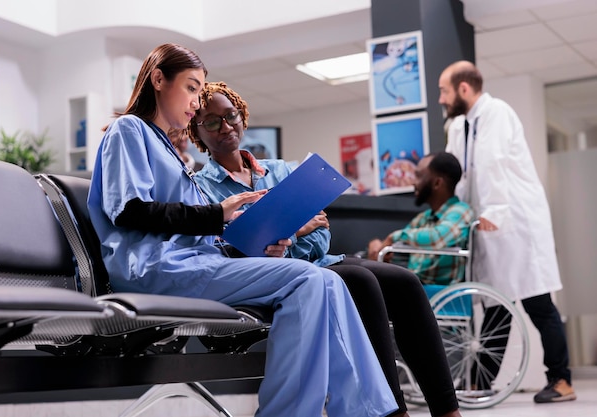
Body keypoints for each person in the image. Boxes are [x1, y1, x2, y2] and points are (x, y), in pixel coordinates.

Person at [86, 43, 398, 417]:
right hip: (154, 269)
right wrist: (217, 214)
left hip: (191, 263)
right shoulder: (129, 130)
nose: (193, 102)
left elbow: (192, 229)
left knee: (323, 281)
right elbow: (131, 211)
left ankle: (365, 411)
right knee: (307, 281)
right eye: (190, 87)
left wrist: (245, 240)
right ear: (157, 80)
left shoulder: (168, 150)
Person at [189, 81, 463, 417]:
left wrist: (289, 238)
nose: (226, 126)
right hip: (280, 279)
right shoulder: (202, 190)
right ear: (196, 133)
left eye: (230, 116)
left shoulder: (281, 171)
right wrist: (296, 231)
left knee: (405, 282)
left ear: (242, 117)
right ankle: (394, 411)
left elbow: (321, 235)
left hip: (321, 261)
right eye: (212, 122)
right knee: (362, 282)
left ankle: (448, 410)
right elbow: (237, 249)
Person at [439, 60, 576, 403]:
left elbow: (492, 162)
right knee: (496, 306)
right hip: (490, 227)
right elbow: (461, 173)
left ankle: (561, 380)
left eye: (444, 90)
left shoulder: (496, 113)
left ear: (464, 88)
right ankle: (478, 383)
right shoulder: (460, 125)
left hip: (516, 222)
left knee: (537, 302)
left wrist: (495, 211)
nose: (441, 98)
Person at [367, 152, 475, 286]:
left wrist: (394, 237)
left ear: (437, 183)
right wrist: (377, 245)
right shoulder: (423, 218)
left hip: (438, 292)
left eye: (418, 176)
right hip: (415, 287)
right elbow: (395, 245)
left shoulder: (461, 211)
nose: (413, 182)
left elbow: (437, 238)